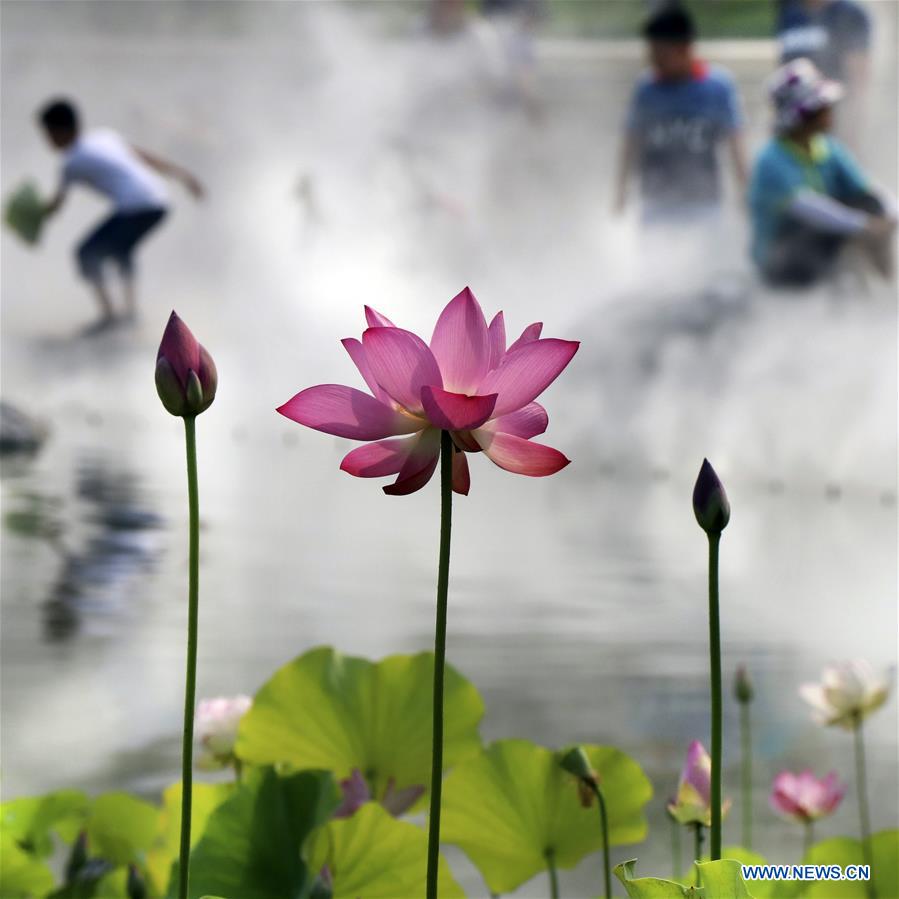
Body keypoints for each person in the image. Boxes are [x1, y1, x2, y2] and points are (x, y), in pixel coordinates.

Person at [37, 98, 204, 332]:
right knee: (121, 249)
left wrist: (30, 214)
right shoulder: (105, 137)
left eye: (47, 133)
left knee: (86, 252)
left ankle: (112, 318)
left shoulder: (70, 162)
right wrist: (185, 176)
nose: (47, 140)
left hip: (137, 205)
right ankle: (129, 315)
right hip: (159, 201)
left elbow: (54, 208)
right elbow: (146, 158)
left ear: (58, 131)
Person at [748, 59, 895, 288]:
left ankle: (882, 287)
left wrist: (891, 215)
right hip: (782, 259)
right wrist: (866, 227)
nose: (831, 112)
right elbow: (809, 208)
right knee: (838, 223)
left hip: (821, 245)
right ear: (807, 113)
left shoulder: (828, 148)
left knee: (870, 205)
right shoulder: (771, 159)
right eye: (824, 107)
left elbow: (866, 188)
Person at [613, 5, 748, 225]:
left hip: (704, 204)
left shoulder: (718, 87)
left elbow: (736, 142)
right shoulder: (646, 89)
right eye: (651, 52)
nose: (654, 61)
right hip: (655, 204)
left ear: (685, 48)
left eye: (661, 54)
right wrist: (620, 191)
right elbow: (632, 139)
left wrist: (744, 192)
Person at [775, 0, 872, 142]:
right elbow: (783, 73)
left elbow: (859, 81)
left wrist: (852, 133)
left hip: (832, 124)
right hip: (794, 129)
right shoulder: (790, 12)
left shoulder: (849, 14)